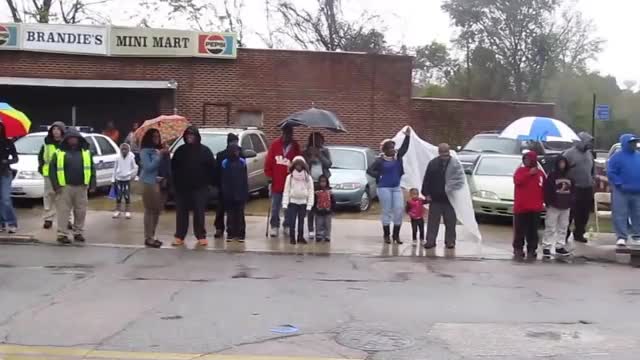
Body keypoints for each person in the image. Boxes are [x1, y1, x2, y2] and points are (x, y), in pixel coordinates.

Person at [171, 126, 216, 247]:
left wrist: (209, 183)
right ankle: (179, 236)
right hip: (182, 188)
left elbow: (212, 168)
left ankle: (201, 236)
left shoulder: (205, 151)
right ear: (185, 137)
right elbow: (173, 168)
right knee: (181, 213)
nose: (190, 137)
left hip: (200, 187)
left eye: (192, 135)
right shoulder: (180, 151)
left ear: (197, 137)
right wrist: (174, 184)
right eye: (188, 135)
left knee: (199, 212)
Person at [49, 128, 96, 244]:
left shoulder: (86, 153)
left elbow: (92, 169)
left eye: (75, 138)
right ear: (66, 140)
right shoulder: (59, 153)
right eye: (71, 138)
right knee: (63, 212)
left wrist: (93, 184)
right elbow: (52, 170)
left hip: (82, 187)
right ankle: (62, 234)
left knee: (81, 211)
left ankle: (78, 232)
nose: (73, 140)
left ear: (79, 139)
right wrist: (56, 186)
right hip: (64, 187)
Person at [367, 128, 411, 244]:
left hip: (396, 187)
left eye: (393, 147)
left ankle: (396, 235)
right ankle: (386, 235)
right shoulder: (380, 161)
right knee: (387, 210)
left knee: (399, 209)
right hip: (383, 188)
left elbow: (404, 149)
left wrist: (407, 136)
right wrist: (379, 175)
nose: (393, 150)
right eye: (390, 148)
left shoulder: (398, 158)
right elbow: (369, 170)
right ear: (385, 150)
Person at [421, 143, 465, 249]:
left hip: (450, 199)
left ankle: (450, 241)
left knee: (450, 222)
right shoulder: (433, 163)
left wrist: (455, 193)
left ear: (449, 152)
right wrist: (426, 194)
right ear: (439, 153)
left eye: (447, 154)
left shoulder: (455, 164)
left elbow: (460, 180)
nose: (445, 157)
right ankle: (430, 241)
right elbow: (427, 179)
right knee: (433, 222)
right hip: (435, 198)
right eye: (443, 154)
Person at [264, 126, 301, 237]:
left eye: (290, 134)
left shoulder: (295, 146)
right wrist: (269, 177)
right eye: (286, 133)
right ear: (283, 133)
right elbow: (268, 162)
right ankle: (274, 226)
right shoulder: (275, 145)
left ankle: (287, 225)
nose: (288, 136)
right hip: (277, 182)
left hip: (290, 182)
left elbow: (299, 162)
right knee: (275, 206)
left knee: (289, 206)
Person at [607, 134, 640, 247]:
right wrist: (619, 183)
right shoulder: (617, 157)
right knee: (620, 213)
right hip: (621, 191)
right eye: (632, 142)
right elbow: (611, 172)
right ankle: (621, 237)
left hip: (637, 191)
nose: (634, 144)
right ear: (625, 143)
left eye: (635, 142)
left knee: (638, 214)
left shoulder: (638, 156)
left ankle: (637, 235)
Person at [139, 129, 169, 248]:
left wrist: (165, 153)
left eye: (158, 136)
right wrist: (159, 155)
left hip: (158, 183)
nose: (157, 138)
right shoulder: (145, 151)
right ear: (149, 138)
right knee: (150, 210)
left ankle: (152, 235)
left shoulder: (159, 150)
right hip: (148, 182)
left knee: (157, 210)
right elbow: (148, 167)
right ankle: (148, 237)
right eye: (154, 136)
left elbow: (163, 166)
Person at [513, 151, 545, 260]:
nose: (527, 161)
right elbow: (517, 181)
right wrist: (529, 174)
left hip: (535, 208)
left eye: (529, 159)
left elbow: (543, 187)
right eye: (525, 159)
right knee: (519, 230)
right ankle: (518, 249)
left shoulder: (540, 173)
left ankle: (532, 249)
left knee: (532, 231)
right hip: (521, 207)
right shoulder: (520, 171)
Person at [563, 132, 595, 243]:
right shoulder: (568, 154)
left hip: (587, 187)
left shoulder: (589, 154)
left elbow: (592, 169)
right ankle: (565, 234)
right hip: (574, 188)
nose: (589, 144)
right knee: (570, 213)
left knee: (584, 213)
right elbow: (562, 170)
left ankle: (579, 233)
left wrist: (592, 179)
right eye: (588, 141)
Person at [542, 155, 574, 257]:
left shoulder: (570, 177)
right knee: (550, 227)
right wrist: (548, 202)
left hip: (566, 205)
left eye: (564, 163)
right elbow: (546, 190)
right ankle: (546, 246)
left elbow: (573, 191)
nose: (562, 165)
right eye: (560, 163)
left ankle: (560, 246)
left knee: (563, 227)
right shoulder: (551, 176)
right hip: (554, 205)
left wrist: (571, 202)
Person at [303, 132, 332, 239]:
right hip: (311, 182)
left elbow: (329, 164)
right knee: (311, 206)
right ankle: (311, 229)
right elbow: (304, 165)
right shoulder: (306, 151)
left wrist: (319, 155)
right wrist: (310, 157)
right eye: (317, 140)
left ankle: (323, 230)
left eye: (321, 140)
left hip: (322, 182)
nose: (319, 142)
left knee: (323, 206)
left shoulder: (325, 151)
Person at [214, 133, 243, 239]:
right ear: (229, 143)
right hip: (223, 186)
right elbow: (217, 171)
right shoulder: (221, 155)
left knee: (237, 211)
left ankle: (236, 230)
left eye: (236, 141)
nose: (235, 144)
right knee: (221, 209)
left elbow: (243, 172)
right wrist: (218, 185)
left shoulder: (240, 154)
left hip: (236, 187)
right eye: (233, 142)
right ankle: (219, 228)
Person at [38, 121, 65, 229]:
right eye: (54, 129)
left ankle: (67, 220)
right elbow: (41, 156)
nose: (56, 132)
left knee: (64, 197)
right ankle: (48, 219)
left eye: (58, 129)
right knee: (49, 196)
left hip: (63, 173)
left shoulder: (66, 143)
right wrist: (41, 167)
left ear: (62, 131)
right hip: (48, 173)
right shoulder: (47, 143)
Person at [282, 156, 314, 244]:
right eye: (297, 165)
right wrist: (285, 204)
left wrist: (309, 205)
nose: (298, 167)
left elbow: (311, 191)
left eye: (300, 165)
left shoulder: (308, 178)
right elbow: (286, 191)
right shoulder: (290, 177)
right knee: (292, 221)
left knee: (301, 221)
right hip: (293, 202)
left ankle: (300, 237)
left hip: (303, 202)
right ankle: (292, 237)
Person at [220, 143, 249, 242]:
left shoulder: (242, 162)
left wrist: (245, 192)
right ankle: (230, 233)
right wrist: (225, 192)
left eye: (238, 151)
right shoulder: (225, 163)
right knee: (230, 215)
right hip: (229, 193)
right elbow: (223, 179)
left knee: (240, 214)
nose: (236, 153)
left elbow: (245, 179)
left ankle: (241, 234)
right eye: (235, 151)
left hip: (240, 192)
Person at [0, 122, 18, 233]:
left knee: (5, 199)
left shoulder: (8, 142)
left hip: (5, 172)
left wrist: (7, 161)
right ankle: (2, 223)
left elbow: (16, 158)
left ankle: (12, 223)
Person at [112, 143, 138, 219]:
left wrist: (131, 174)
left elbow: (135, 167)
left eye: (125, 149)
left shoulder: (131, 157)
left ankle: (127, 211)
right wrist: (113, 179)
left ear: (128, 150)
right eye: (122, 149)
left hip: (127, 179)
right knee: (119, 195)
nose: (124, 151)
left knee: (127, 195)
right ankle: (117, 210)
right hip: (119, 179)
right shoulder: (117, 157)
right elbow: (114, 168)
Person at [313, 174, 335, 242]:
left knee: (327, 224)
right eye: (321, 182)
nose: (323, 183)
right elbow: (314, 201)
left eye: (324, 182)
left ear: (327, 182)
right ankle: (319, 235)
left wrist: (332, 209)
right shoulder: (316, 192)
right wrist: (314, 209)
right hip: (319, 211)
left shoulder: (330, 192)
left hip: (328, 211)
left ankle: (327, 235)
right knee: (319, 224)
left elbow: (333, 201)